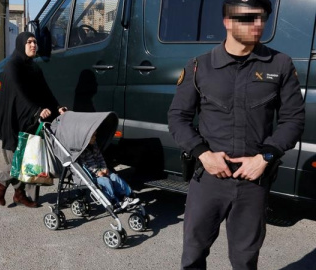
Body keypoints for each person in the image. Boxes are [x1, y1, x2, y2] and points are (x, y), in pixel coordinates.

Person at [167, 0, 305, 269]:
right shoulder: (199, 66)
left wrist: (265, 157)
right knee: (193, 253)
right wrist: (202, 154)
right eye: (248, 18)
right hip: (208, 178)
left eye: (262, 17)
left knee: (245, 259)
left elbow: (293, 119)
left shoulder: (279, 64)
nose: (258, 24)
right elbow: (178, 118)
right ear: (228, 22)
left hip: (253, 181)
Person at [0, 32, 67, 208]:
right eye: (29, 42)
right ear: (21, 44)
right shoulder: (12, 66)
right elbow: (19, 94)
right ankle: (1, 183)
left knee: (33, 159)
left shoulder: (34, 67)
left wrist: (56, 107)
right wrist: (36, 110)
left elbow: (45, 92)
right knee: (19, 158)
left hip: (32, 120)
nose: (33, 45)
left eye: (35, 42)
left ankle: (20, 195)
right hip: (14, 121)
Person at [79, 131, 140, 209]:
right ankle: (114, 201)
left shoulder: (94, 145)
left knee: (114, 176)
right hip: (91, 175)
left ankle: (125, 196)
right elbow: (84, 166)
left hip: (100, 170)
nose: (95, 137)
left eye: (95, 135)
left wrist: (104, 168)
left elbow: (100, 158)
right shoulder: (82, 151)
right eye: (93, 136)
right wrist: (97, 172)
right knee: (105, 181)